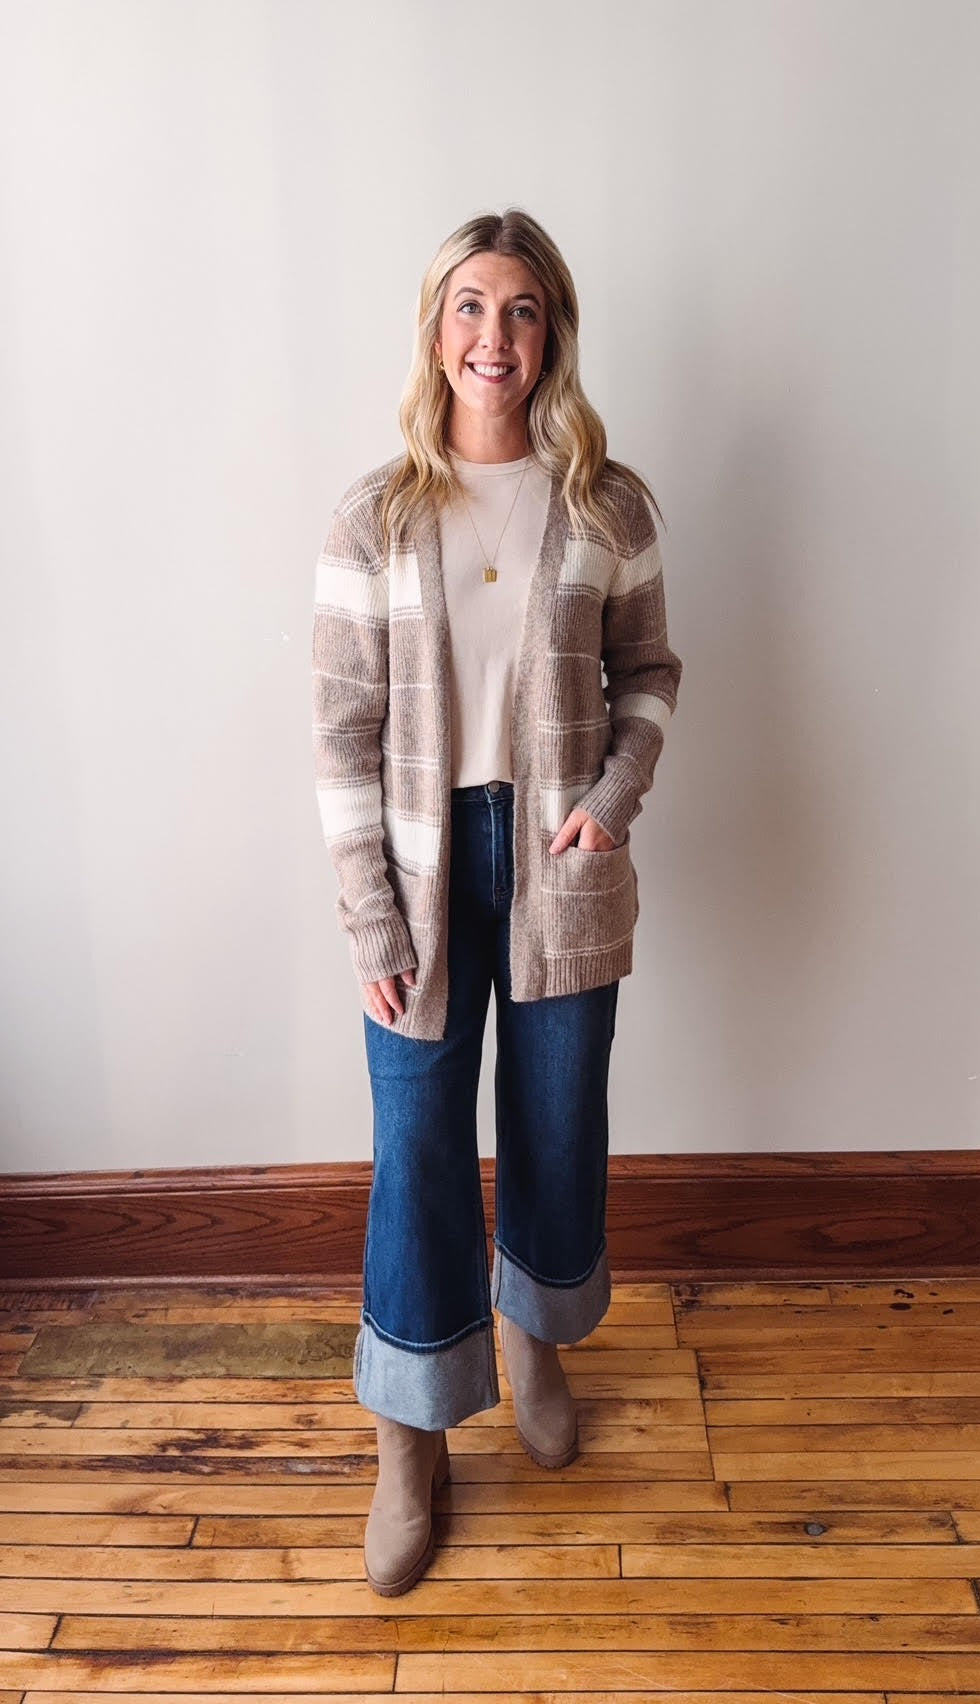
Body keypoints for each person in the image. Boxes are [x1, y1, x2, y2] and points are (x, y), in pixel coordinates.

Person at [311, 207, 682, 1596]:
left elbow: (649, 675)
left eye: (521, 311)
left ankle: (535, 1341)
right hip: (418, 864)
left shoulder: (607, 503)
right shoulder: (376, 515)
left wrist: (612, 795)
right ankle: (411, 1441)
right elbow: (344, 732)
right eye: (471, 308)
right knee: (415, 1148)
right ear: (436, 330)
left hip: (558, 857)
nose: (495, 338)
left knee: (555, 1117)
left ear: (552, 334)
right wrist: (371, 918)